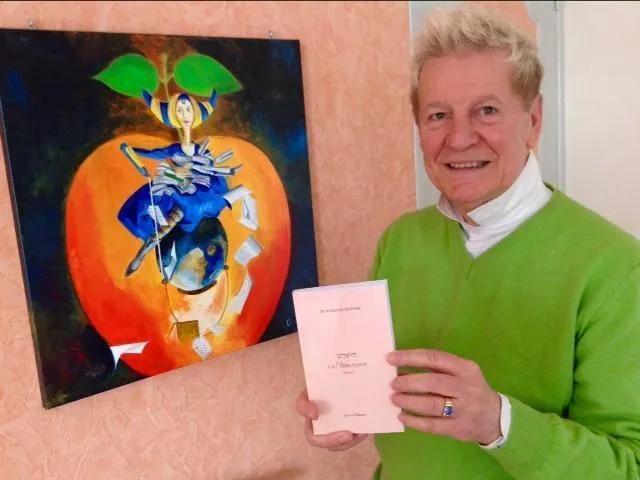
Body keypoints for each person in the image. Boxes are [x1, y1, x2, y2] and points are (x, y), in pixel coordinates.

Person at [295, 5, 640, 479]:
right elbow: (378, 393)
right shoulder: (400, 239)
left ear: (534, 119)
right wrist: (345, 409)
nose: (459, 139)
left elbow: (627, 467)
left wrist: (499, 423)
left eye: (487, 111)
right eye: (439, 115)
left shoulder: (616, 268)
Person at [117, 90, 242, 279]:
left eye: (188, 110)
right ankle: (144, 254)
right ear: (174, 116)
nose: (185, 115)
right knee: (161, 211)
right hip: (178, 191)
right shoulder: (174, 149)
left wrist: (194, 170)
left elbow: (211, 170)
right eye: (180, 111)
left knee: (193, 208)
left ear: (196, 113)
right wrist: (132, 151)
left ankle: (144, 253)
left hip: (201, 191)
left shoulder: (201, 150)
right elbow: (154, 154)